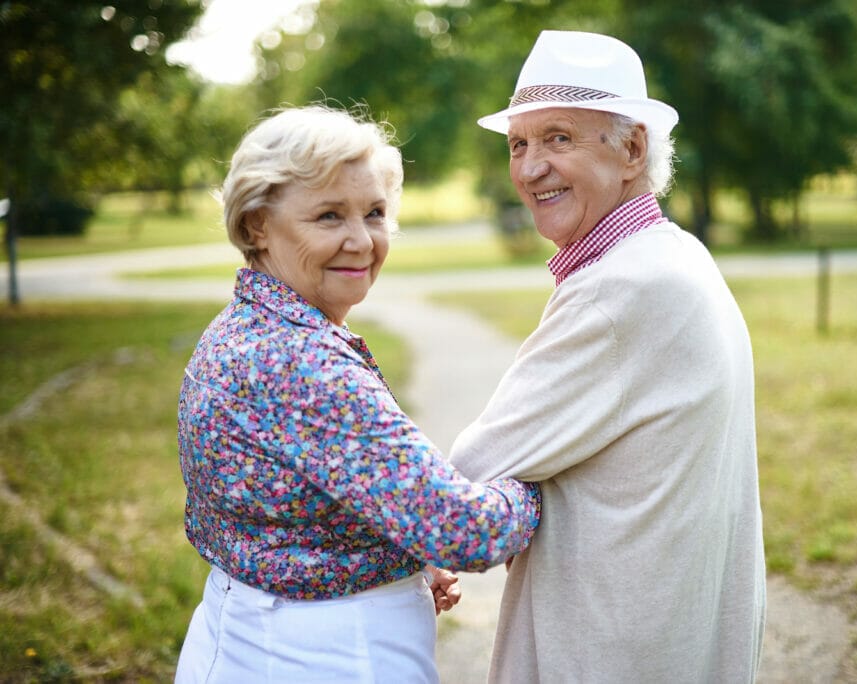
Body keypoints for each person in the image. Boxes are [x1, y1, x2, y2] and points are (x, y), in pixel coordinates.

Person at [174, 104, 540, 683]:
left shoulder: (245, 326)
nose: (361, 241)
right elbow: (466, 530)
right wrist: (544, 486)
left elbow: (296, 507)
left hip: (243, 636)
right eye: (327, 216)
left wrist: (403, 556)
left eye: (374, 213)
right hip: (327, 655)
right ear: (256, 227)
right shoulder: (299, 361)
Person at [449, 30, 766, 682]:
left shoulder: (622, 289)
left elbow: (473, 471)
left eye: (558, 138)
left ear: (631, 149)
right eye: (518, 144)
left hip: (611, 654)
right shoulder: (677, 254)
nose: (530, 167)